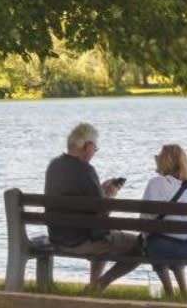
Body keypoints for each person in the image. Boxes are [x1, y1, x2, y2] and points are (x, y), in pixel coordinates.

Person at [44, 122, 142, 293]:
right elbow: (101, 216)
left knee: (103, 234)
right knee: (141, 245)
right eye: (95, 149)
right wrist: (110, 196)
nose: (94, 153)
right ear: (88, 146)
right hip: (81, 241)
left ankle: (92, 286)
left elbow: (82, 201)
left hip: (57, 237)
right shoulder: (86, 170)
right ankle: (100, 284)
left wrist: (100, 192)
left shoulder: (54, 166)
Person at [141, 143, 187, 298]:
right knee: (173, 242)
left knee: (155, 245)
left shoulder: (155, 183)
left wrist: (145, 237)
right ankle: (184, 293)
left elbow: (145, 219)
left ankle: (169, 292)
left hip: (163, 247)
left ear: (164, 161)